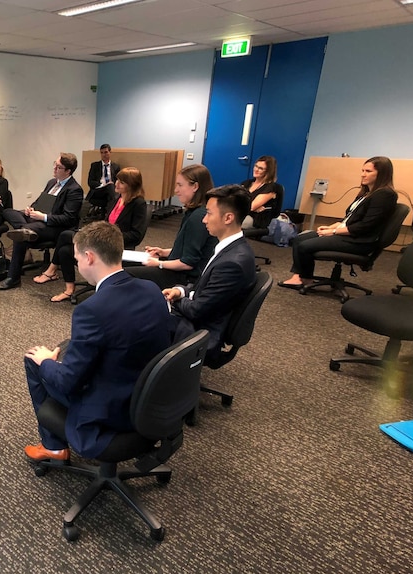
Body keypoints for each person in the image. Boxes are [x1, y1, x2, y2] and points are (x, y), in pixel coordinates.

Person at [22, 221, 171, 461]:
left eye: (77, 259)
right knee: (68, 345)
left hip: (111, 410)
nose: (77, 265)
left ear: (89, 257)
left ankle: (53, 446)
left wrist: (47, 362)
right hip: (149, 398)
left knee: (34, 359)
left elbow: (68, 383)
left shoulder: (91, 310)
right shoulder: (151, 288)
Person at [163, 184, 256, 358]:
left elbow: (197, 311)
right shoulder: (231, 249)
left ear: (228, 218)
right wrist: (180, 291)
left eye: (209, 213)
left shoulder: (233, 263)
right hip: (200, 319)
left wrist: (174, 302)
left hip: (200, 332)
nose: (204, 220)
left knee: (136, 320)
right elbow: (204, 290)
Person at [278, 156, 398, 290]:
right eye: (363, 170)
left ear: (382, 173)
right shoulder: (366, 193)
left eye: (368, 171)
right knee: (300, 238)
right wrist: (331, 227)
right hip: (349, 234)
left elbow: (365, 226)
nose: (363, 174)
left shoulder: (385, 195)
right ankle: (299, 277)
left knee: (305, 245)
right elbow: (349, 218)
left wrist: (333, 232)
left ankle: (304, 278)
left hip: (359, 241)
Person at [37, 167, 148, 303]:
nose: (116, 184)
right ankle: (69, 289)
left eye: (122, 182)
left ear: (131, 186)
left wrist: (107, 237)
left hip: (116, 248)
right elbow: (106, 223)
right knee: (65, 251)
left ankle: (51, 269)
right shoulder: (116, 199)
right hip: (100, 243)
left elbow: (136, 235)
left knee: (66, 235)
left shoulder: (138, 204)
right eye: (117, 180)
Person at [0, 153, 83, 290]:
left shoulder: (74, 190)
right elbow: (39, 202)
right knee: (7, 211)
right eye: (55, 164)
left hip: (54, 226)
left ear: (68, 171)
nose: (54, 168)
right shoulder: (51, 183)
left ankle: (13, 277)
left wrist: (43, 217)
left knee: (21, 235)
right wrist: (31, 209)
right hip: (36, 219)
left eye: (58, 167)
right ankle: (27, 231)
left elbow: (68, 219)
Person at [127, 164, 217, 289]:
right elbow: (188, 249)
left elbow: (188, 263)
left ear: (195, 186)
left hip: (183, 277)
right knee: (128, 265)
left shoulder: (198, 217)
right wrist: (163, 252)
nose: (176, 190)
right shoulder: (194, 212)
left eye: (180, 185)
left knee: (124, 275)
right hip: (179, 271)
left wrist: (159, 264)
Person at [240, 155, 284, 230]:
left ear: (268, 172)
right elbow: (234, 201)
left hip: (256, 219)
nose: (256, 170)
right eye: (256, 166)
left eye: (260, 168)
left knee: (227, 222)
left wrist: (249, 207)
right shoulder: (246, 183)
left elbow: (251, 207)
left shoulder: (271, 187)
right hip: (242, 214)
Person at [86, 143, 121, 212]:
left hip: (111, 190)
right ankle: (112, 214)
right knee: (110, 187)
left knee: (111, 187)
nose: (104, 154)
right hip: (99, 190)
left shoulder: (116, 167)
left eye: (106, 152)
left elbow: (118, 181)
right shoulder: (95, 165)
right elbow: (90, 182)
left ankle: (108, 215)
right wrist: (102, 185)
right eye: (102, 153)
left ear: (110, 152)